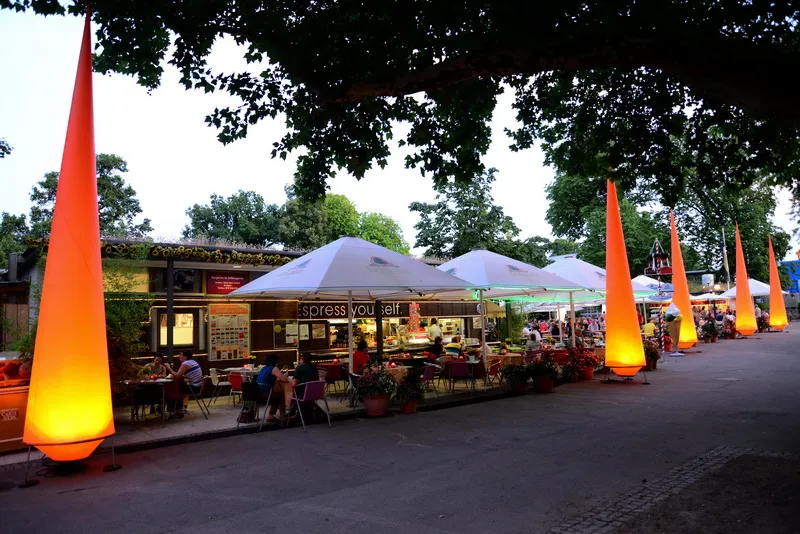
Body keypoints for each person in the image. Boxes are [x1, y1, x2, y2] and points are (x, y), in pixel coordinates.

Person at [257, 354, 293, 422]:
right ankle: (282, 415)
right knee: (281, 395)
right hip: (266, 394)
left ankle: (271, 416)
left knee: (277, 395)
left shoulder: (263, 368)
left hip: (258, 393)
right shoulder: (274, 368)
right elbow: (284, 379)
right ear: (275, 362)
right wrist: (285, 376)